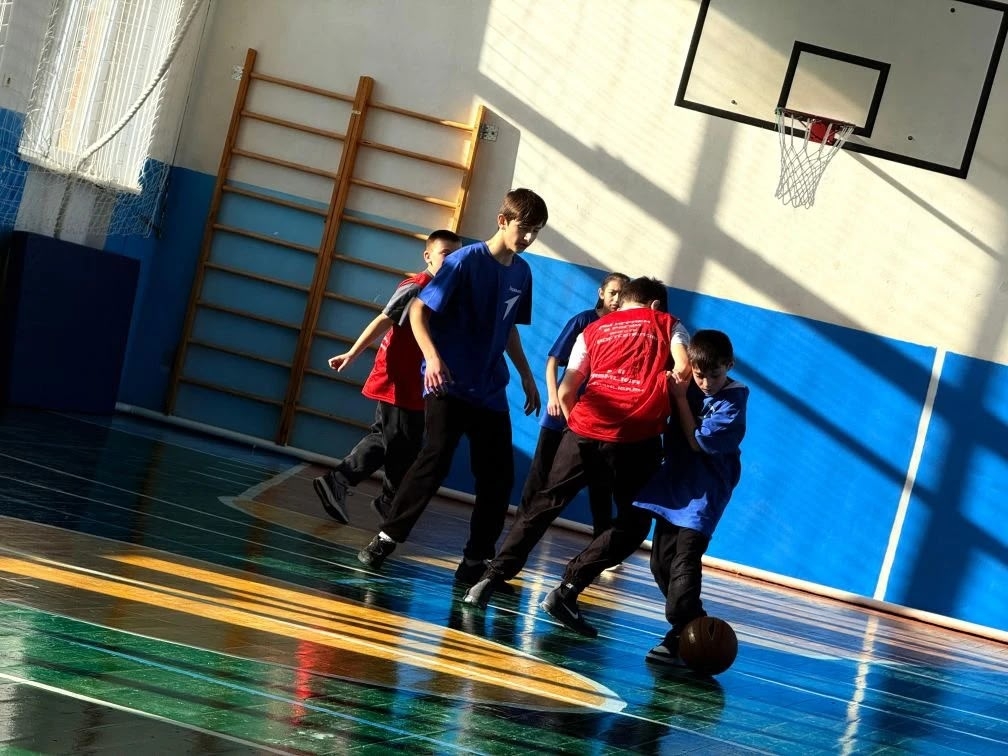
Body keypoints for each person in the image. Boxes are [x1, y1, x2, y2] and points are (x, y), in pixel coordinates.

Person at [463, 277, 691, 635]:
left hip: (583, 430)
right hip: (636, 439)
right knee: (633, 525)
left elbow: (567, 390)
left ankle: (488, 580)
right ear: (655, 306)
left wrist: (579, 430)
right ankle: (568, 589)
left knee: (544, 504)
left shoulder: (594, 329)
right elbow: (683, 369)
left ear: (624, 301)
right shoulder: (668, 323)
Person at [356, 188, 547, 585]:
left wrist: (527, 375)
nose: (529, 238)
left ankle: (475, 559)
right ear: (503, 221)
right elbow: (418, 312)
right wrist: (433, 358)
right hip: (448, 384)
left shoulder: (522, 273)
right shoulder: (464, 262)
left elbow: (509, 328)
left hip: (489, 389)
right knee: (435, 459)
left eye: (537, 231)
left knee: (498, 478)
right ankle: (387, 537)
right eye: (524, 228)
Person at [313, 229, 462, 523]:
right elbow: (384, 318)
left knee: (398, 440)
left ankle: (383, 499)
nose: (451, 261)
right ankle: (348, 483)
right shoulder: (417, 286)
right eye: (445, 254)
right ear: (428, 255)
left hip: (417, 382)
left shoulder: (446, 290)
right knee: (395, 441)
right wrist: (352, 353)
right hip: (398, 379)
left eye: (456, 256)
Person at [635, 330, 748, 667]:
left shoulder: (733, 402)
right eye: (700, 375)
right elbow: (674, 340)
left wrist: (682, 400)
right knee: (660, 564)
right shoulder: (686, 381)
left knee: (684, 562)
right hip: (673, 488)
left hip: (704, 495)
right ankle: (693, 627)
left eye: (715, 375)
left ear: (729, 366)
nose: (707, 382)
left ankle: (683, 633)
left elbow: (698, 442)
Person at [520, 272, 630, 538]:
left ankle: (601, 540)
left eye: (622, 294)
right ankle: (522, 526)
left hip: (595, 420)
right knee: (541, 471)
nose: (617, 299)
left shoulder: (625, 330)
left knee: (601, 481)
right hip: (562, 411)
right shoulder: (583, 321)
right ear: (601, 293)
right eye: (613, 292)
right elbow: (553, 361)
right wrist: (553, 397)